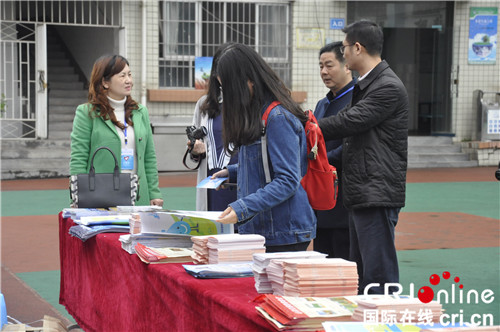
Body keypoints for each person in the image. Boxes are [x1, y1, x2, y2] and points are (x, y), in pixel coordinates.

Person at [318, 21, 409, 294]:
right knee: (361, 273)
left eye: (345, 48)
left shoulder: (386, 86)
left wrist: (304, 123)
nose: (344, 54)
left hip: (376, 190)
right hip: (362, 190)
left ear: (358, 47)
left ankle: (385, 321)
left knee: (378, 274)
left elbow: (349, 121)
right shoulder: (368, 84)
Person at [212, 43, 316, 253]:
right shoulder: (257, 114)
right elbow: (264, 162)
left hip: (283, 232)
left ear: (248, 81)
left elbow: (287, 180)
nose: (226, 96)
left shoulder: (277, 117)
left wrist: (242, 208)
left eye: (227, 87)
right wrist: (233, 172)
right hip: (264, 228)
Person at [70, 54, 163, 207]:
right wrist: (78, 194)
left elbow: (149, 156)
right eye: (122, 76)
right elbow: (79, 157)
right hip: (101, 195)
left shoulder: (141, 112)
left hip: (138, 196)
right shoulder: (87, 113)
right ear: (105, 82)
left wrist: (154, 192)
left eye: (130, 74)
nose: (129, 80)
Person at [313, 41, 356, 260]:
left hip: (344, 203)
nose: (323, 72)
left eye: (329, 65)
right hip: (320, 202)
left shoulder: (359, 100)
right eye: (321, 66)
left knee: (344, 268)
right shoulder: (322, 104)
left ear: (347, 65)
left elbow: (351, 148)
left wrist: (316, 164)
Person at [189, 45, 238, 212]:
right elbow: (196, 149)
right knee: (211, 233)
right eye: (220, 70)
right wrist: (195, 150)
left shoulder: (252, 105)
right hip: (211, 185)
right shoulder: (204, 104)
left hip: (241, 185)